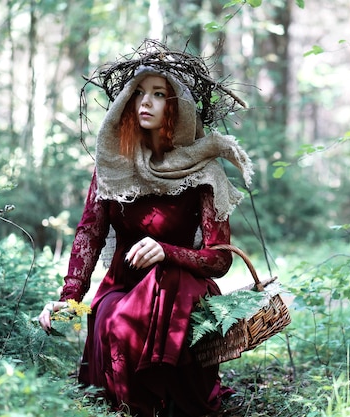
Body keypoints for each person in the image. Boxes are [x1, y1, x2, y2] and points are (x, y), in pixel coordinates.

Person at [37, 40, 253, 417]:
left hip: (183, 287)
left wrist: (167, 251)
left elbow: (219, 261)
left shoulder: (203, 172)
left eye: (158, 95)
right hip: (122, 285)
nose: (145, 102)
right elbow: (90, 232)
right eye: (138, 93)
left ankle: (168, 401)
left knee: (167, 281)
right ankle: (136, 406)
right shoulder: (113, 166)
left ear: (177, 108)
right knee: (113, 317)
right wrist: (70, 297)